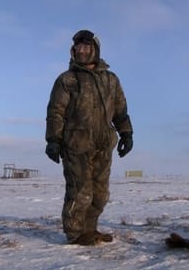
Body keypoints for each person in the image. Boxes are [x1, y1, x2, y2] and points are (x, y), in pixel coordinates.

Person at [45, 29, 133, 246]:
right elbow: (56, 111)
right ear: (73, 50)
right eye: (78, 48)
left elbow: (120, 110)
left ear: (95, 50)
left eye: (86, 47)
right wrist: (53, 140)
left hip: (103, 145)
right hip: (76, 145)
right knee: (80, 191)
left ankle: (89, 229)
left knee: (100, 194)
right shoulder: (67, 79)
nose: (82, 52)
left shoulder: (111, 79)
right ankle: (75, 235)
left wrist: (126, 134)